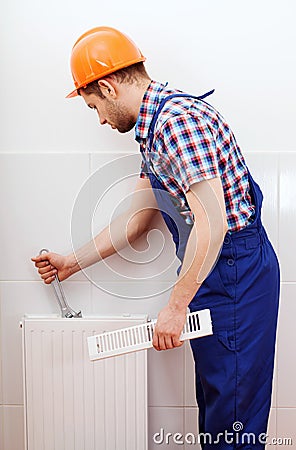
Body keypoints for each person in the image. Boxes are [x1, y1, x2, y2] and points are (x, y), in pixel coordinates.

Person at [32, 26, 280, 449]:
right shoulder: (152, 132)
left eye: (95, 106)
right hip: (215, 274)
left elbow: (213, 224)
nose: (101, 120)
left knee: (233, 419)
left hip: (236, 273)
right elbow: (138, 221)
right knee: (220, 408)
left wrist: (175, 306)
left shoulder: (176, 123)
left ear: (108, 87)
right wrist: (72, 263)